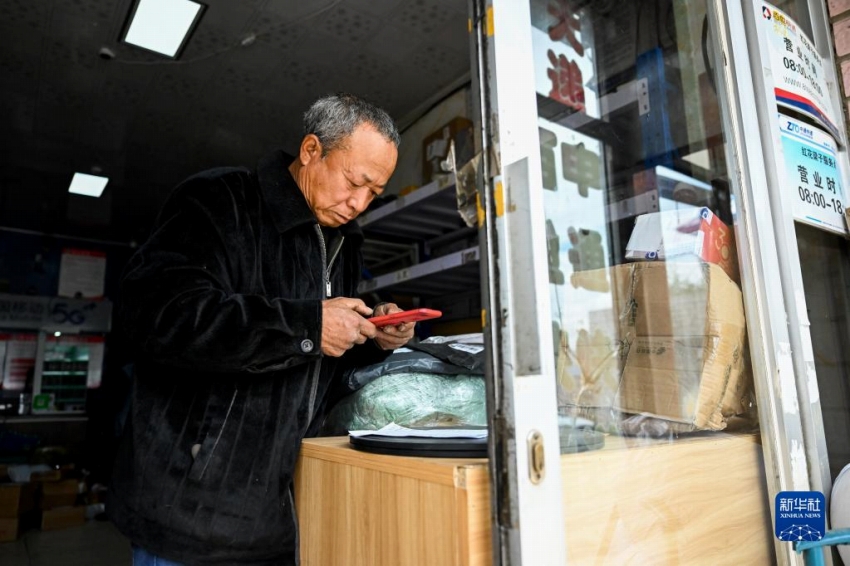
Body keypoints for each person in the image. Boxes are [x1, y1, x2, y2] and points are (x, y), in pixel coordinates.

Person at [108, 93, 415, 566]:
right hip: (190, 510)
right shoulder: (220, 200)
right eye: (356, 182)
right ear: (312, 150)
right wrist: (308, 325)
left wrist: (371, 335)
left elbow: (314, 361)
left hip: (281, 511)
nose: (359, 204)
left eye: (374, 193)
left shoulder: (342, 244)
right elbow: (159, 316)